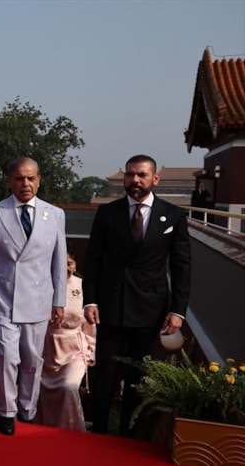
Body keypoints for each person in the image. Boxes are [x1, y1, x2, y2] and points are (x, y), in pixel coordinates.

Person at [82, 154, 191, 437]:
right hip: (110, 305)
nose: (135, 180)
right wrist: (90, 299)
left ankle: (129, 436)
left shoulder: (173, 215)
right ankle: (99, 431)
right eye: (130, 174)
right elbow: (93, 260)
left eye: (142, 175)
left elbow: (181, 266)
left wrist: (178, 310)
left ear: (155, 178)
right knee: (105, 374)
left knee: (137, 375)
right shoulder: (108, 213)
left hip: (149, 308)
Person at [0, 157, 67, 436]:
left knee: (31, 360)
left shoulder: (55, 214)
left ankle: (28, 408)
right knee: (6, 358)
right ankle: (6, 410)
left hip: (38, 299)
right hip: (2, 298)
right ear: (9, 181)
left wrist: (59, 301)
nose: (25, 184)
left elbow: (59, 261)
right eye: (19, 178)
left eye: (30, 178)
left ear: (39, 180)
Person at [36, 246, 95, 431]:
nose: (64, 268)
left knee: (69, 387)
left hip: (75, 349)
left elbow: (90, 323)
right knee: (40, 388)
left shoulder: (83, 286)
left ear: (75, 264)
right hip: (47, 349)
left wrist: (92, 350)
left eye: (68, 263)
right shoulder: (42, 284)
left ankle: (71, 430)